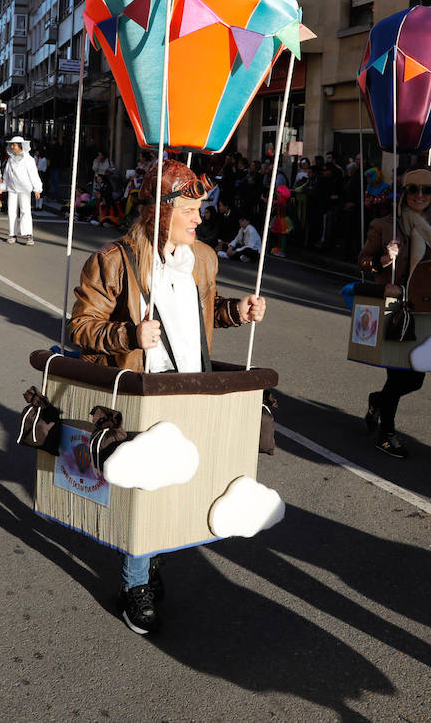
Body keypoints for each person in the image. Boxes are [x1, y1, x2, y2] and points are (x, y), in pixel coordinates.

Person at [68, 161, 266, 635]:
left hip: (189, 388)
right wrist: (128, 333)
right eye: (189, 210)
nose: (200, 218)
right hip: (140, 391)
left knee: (175, 486)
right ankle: (134, 581)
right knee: (144, 493)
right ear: (160, 213)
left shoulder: (203, 258)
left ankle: (148, 556)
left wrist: (236, 312)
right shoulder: (113, 261)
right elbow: (80, 327)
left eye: (199, 209)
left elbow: (200, 317)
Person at [357, 168, 431, 458]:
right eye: (413, 189)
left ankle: (377, 401)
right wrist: (383, 257)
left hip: (424, 309)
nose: (419, 196)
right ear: (403, 193)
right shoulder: (384, 225)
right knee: (398, 374)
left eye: (426, 191)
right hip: (395, 309)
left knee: (415, 379)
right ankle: (386, 435)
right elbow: (363, 262)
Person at [3, 135, 42, 245]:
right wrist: (2, 187)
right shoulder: (10, 159)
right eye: (12, 145)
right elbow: (7, 175)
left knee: (25, 210)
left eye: (14, 145)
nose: (12, 146)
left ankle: (28, 234)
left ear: (20, 146)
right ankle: (12, 234)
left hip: (25, 188)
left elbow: (34, 174)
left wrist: (37, 188)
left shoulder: (29, 160)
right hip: (12, 188)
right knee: (11, 211)